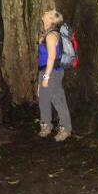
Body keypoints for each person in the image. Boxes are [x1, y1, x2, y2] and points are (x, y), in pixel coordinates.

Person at [37, 9, 72, 141]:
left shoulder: (51, 36)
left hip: (53, 72)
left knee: (57, 99)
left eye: (47, 12)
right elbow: (43, 58)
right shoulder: (46, 34)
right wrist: (41, 78)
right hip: (45, 71)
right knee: (43, 99)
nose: (44, 13)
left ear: (51, 19)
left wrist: (46, 78)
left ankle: (66, 129)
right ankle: (46, 126)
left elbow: (51, 58)